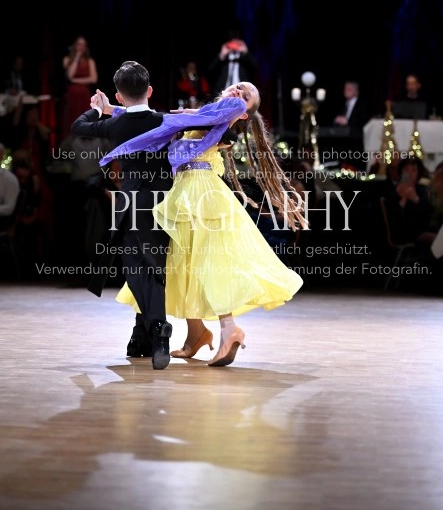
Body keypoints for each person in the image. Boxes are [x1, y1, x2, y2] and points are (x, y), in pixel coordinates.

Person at [99, 82, 306, 368]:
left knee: (206, 261)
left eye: (246, 96)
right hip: (186, 189)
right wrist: (111, 109)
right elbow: (158, 120)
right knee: (183, 262)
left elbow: (174, 122)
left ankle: (229, 328)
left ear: (243, 113)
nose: (238, 92)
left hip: (200, 192)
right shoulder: (204, 114)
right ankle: (196, 333)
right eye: (238, 87)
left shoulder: (224, 117)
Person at [71, 61, 174, 370]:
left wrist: (98, 109)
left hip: (130, 203)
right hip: (164, 203)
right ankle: (145, 334)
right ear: (150, 91)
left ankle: (157, 327)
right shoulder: (165, 121)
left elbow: (79, 126)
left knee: (136, 268)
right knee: (153, 267)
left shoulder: (115, 125)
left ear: (118, 96)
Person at [63, 36, 98, 134]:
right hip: (72, 94)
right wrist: (76, 58)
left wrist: (75, 80)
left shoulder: (90, 61)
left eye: (83, 45)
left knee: (84, 119)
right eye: (79, 44)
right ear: (74, 46)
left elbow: (93, 79)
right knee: (72, 119)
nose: (81, 47)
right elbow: (70, 75)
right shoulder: (67, 60)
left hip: (84, 94)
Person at [208, 31, 258, 97]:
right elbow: (210, 69)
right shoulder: (224, 58)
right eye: (232, 43)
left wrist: (246, 52)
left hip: (240, 91)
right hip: (225, 90)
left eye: (237, 43)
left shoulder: (244, 58)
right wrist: (221, 55)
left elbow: (255, 67)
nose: (234, 45)